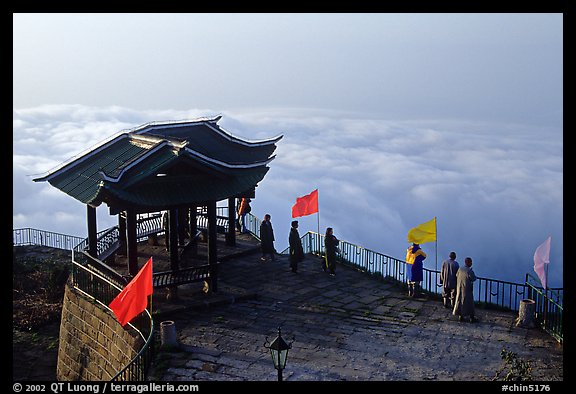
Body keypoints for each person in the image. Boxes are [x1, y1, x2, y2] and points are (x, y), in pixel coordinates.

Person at [453, 257, 478, 323]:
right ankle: (471, 317)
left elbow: (456, 275)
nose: (471, 263)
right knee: (469, 303)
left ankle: (460, 315)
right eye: (471, 262)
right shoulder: (469, 270)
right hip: (467, 288)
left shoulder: (460, 269)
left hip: (459, 287)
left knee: (460, 301)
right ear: (468, 262)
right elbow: (473, 278)